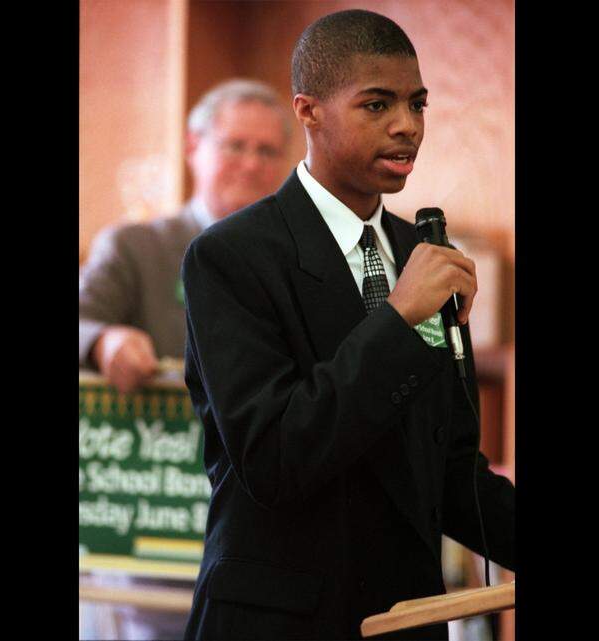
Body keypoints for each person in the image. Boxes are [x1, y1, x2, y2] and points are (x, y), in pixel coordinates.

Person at [180, 10, 515, 640]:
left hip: (406, 618)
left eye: (418, 104)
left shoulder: (423, 251)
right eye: (377, 105)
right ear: (308, 111)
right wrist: (399, 317)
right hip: (282, 623)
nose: (407, 126)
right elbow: (276, 457)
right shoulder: (230, 257)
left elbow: (451, 472)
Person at [78, 78, 291, 391]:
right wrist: (103, 341)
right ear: (192, 146)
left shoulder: (300, 260)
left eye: (267, 151)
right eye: (235, 146)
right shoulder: (133, 248)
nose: (250, 164)